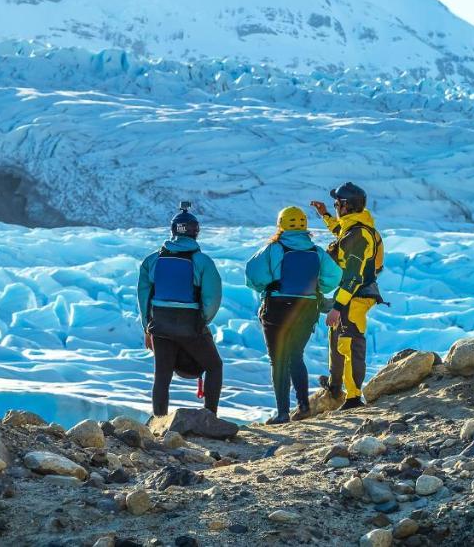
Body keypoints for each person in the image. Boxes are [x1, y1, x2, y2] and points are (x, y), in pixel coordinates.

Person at [244, 206, 341, 424]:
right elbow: (334, 276)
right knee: (296, 356)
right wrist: (316, 288)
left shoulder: (273, 249)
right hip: (306, 308)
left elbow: (252, 274)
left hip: (276, 307)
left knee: (278, 359)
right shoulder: (316, 252)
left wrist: (268, 286)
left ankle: (282, 413)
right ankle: (304, 406)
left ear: (281, 225)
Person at [137, 202, 224, 417]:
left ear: (173, 230)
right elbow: (212, 298)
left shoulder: (153, 260)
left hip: (159, 324)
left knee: (162, 375)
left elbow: (144, 296)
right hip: (190, 323)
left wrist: (147, 327)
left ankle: (159, 420)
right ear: (195, 231)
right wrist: (202, 321)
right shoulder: (202, 261)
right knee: (214, 366)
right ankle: (209, 416)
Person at [310, 182, 384, 411]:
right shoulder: (356, 227)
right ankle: (335, 387)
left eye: (336, 204)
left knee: (349, 343)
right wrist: (325, 215)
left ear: (345, 205)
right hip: (351, 295)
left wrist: (338, 307)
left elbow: (353, 277)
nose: (335, 206)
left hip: (356, 296)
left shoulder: (359, 235)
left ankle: (353, 398)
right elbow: (341, 232)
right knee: (337, 340)